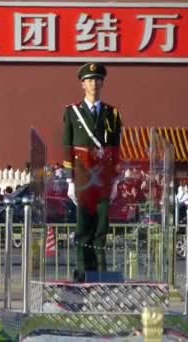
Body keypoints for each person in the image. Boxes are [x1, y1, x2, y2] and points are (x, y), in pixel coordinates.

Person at [62, 62, 122, 282]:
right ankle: (82, 273)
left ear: (102, 83)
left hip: (104, 179)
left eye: (98, 80)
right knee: (83, 228)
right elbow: (67, 147)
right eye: (90, 80)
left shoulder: (112, 113)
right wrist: (69, 180)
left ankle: (101, 274)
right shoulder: (72, 112)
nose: (94, 84)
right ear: (82, 84)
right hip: (83, 178)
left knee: (101, 228)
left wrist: (115, 180)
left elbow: (116, 149)